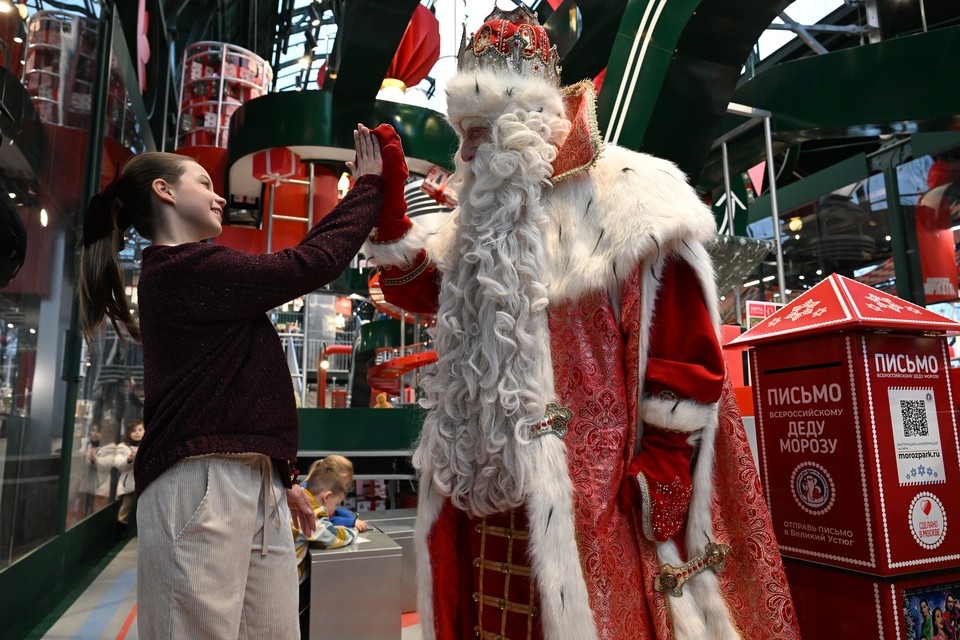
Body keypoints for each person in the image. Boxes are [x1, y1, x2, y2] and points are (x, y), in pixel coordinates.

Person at [362, 6, 800, 640]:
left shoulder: (629, 197)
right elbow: (436, 295)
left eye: (477, 131)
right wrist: (393, 227)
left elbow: (682, 343)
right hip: (485, 496)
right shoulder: (480, 220)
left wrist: (666, 462)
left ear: (523, 124)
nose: (462, 152)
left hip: (592, 498)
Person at [77, 123, 394, 638]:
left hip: (249, 480)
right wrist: (368, 190)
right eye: (203, 183)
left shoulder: (198, 275)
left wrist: (278, 478)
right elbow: (308, 263)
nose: (219, 195)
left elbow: (234, 388)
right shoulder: (183, 268)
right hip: (201, 482)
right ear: (165, 192)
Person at [292, 459, 361, 583]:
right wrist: (353, 531)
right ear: (327, 497)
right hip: (291, 581)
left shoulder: (301, 495)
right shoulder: (310, 511)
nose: (335, 508)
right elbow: (332, 537)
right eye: (335, 504)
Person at [115, 419, 144, 534]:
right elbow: (119, 465)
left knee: (144, 508)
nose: (137, 433)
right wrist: (129, 459)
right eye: (133, 431)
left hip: (144, 483)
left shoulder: (148, 445)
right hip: (130, 484)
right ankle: (120, 531)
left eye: (140, 430)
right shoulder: (122, 447)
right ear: (128, 433)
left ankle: (141, 531)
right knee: (125, 508)